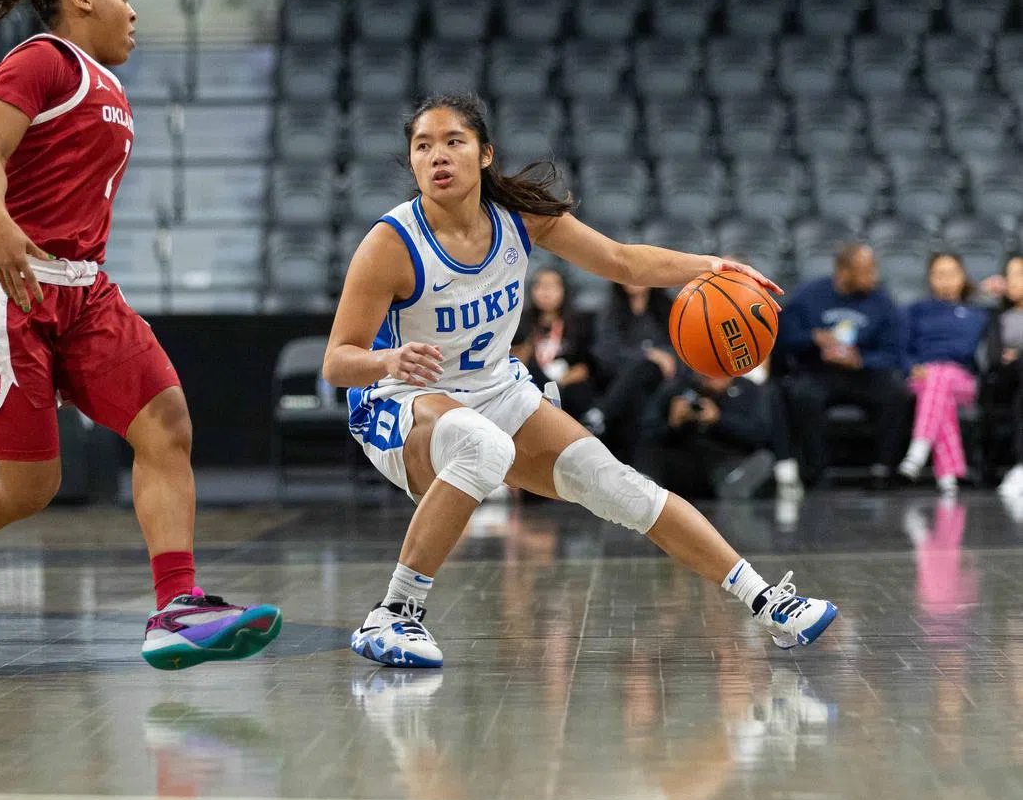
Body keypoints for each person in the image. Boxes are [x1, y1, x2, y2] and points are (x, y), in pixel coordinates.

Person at [322, 93, 837, 668]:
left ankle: (769, 604)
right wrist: (388, 361)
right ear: (412, 164)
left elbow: (622, 261)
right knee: (483, 445)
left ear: (485, 154)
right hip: (402, 404)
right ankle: (393, 614)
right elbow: (338, 361)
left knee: (621, 487)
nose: (437, 156)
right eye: (423, 147)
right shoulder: (391, 243)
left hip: (497, 390)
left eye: (453, 142)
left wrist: (711, 267)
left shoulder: (519, 219)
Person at [0, 0, 281, 669]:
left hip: (84, 290)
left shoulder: (108, 84)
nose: (134, 11)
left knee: (167, 423)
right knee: (32, 486)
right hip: (9, 290)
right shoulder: (41, 61)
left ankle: (177, 609)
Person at [775, 243, 908, 491]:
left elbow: (894, 353)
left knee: (896, 392)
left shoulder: (881, 301)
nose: (873, 277)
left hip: (864, 374)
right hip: (819, 371)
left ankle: (882, 469)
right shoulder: (810, 295)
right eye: (865, 272)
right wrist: (813, 339)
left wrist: (862, 360)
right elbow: (782, 340)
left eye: (873, 270)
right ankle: (816, 472)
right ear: (844, 272)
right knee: (802, 394)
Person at [897, 253, 988, 496]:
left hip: (963, 380)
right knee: (939, 386)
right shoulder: (916, 310)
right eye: (939, 275)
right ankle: (948, 475)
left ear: (963, 277)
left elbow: (970, 350)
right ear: (930, 279)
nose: (945, 280)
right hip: (922, 379)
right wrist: (911, 367)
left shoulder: (977, 312)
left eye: (951, 274)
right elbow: (902, 348)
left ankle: (919, 450)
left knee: (941, 375)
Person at [640, 368, 776, 500]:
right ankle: (650, 490)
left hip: (728, 463)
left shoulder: (748, 389)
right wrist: (673, 424)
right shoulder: (677, 388)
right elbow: (647, 434)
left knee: (763, 458)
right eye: (707, 373)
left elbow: (761, 435)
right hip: (683, 466)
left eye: (719, 372)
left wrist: (719, 420)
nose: (712, 377)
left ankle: (734, 486)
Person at [587, 282, 678, 462]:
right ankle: (641, 468)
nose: (635, 279)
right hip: (619, 377)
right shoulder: (611, 309)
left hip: (660, 380)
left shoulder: (667, 307)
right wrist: (648, 354)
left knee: (647, 370)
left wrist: (657, 358)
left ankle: (601, 413)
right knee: (639, 380)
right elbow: (606, 353)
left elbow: (676, 352)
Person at [514, 265, 594, 419]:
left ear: (563, 290)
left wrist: (560, 384)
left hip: (567, 385)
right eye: (541, 286)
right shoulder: (521, 322)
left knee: (578, 391)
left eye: (552, 286)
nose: (546, 292)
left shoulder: (578, 322)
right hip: (533, 383)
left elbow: (584, 367)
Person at [981, 255, 1023, 499]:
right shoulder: (998, 316)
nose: (1017, 281)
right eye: (1012, 276)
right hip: (1004, 380)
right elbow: (995, 356)